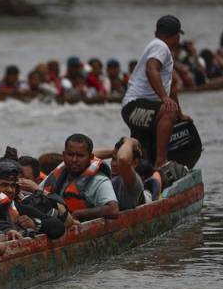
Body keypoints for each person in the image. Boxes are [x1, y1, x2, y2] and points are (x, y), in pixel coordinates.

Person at [121, 15, 191, 168]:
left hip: (142, 108)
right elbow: (151, 70)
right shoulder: (160, 46)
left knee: (144, 159)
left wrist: (180, 114)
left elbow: (171, 88)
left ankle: (147, 177)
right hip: (134, 107)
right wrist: (165, 99)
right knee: (168, 111)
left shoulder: (158, 47)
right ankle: (161, 162)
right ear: (176, 36)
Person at [40, 133, 119, 221]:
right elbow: (39, 192)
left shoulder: (99, 180)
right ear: (64, 155)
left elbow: (113, 210)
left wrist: (79, 214)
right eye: (70, 155)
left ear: (91, 157)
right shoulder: (56, 175)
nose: (74, 160)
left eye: (80, 156)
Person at [95, 137, 147, 211]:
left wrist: (129, 141)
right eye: (113, 159)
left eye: (117, 160)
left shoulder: (133, 181)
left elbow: (123, 160)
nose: (114, 164)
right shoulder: (110, 177)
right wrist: (115, 152)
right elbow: (88, 156)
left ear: (135, 163)